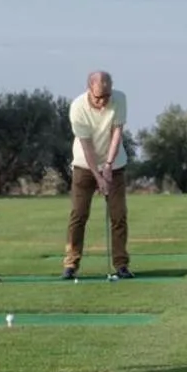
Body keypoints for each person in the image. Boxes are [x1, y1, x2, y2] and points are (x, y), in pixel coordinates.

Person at [64, 69, 131, 281]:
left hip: (115, 165)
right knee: (78, 214)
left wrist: (109, 165)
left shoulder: (119, 99)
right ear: (89, 90)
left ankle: (121, 265)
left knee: (118, 215)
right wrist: (98, 175)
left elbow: (116, 134)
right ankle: (71, 264)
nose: (103, 101)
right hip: (85, 165)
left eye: (107, 96)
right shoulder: (77, 108)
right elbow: (87, 147)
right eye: (98, 97)